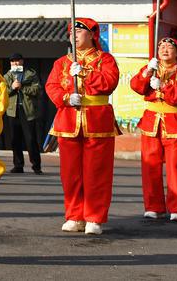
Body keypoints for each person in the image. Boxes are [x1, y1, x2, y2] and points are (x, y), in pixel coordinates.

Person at [44, 18, 120, 236]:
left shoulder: (105, 59)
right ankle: (74, 215)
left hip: (97, 121)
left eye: (78, 31)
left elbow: (110, 82)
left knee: (97, 172)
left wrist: (85, 73)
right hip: (69, 120)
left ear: (92, 35)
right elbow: (51, 86)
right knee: (70, 174)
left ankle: (94, 217)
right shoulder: (61, 62)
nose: (73, 35)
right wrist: (67, 98)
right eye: (71, 32)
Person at [130, 37, 177, 221]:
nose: (165, 49)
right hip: (151, 121)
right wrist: (147, 72)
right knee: (150, 165)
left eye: (170, 46)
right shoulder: (152, 68)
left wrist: (163, 86)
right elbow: (136, 87)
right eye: (161, 46)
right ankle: (153, 206)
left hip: (175, 121)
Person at [3, 53, 43, 174]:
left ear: (22, 61)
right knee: (15, 139)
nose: (15, 63)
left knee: (31, 139)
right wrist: (12, 88)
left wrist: (22, 88)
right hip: (12, 111)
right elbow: (2, 92)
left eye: (17, 61)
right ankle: (18, 165)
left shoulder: (31, 74)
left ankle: (36, 166)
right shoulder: (6, 76)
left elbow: (38, 90)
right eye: (13, 61)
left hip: (28, 110)